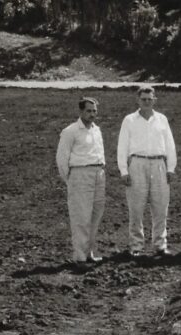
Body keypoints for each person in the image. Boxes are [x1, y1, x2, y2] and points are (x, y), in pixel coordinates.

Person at [117, 86, 177, 257]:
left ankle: (160, 245)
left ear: (154, 100)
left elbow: (170, 144)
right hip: (137, 164)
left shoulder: (162, 119)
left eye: (150, 99)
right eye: (143, 99)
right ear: (138, 100)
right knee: (136, 208)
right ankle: (136, 246)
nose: (146, 102)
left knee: (160, 207)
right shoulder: (129, 120)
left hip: (159, 164)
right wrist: (124, 171)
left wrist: (171, 168)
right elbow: (122, 146)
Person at [56, 96, 106, 264]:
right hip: (80, 174)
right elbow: (62, 159)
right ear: (81, 111)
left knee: (95, 215)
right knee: (81, 217)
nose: (92, 114)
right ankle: (79, 257)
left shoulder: (96, 130)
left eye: (94, 111)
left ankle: (89, 252)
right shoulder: (71, 131)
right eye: (88, 111)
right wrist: (71, 180)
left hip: (98, 174)